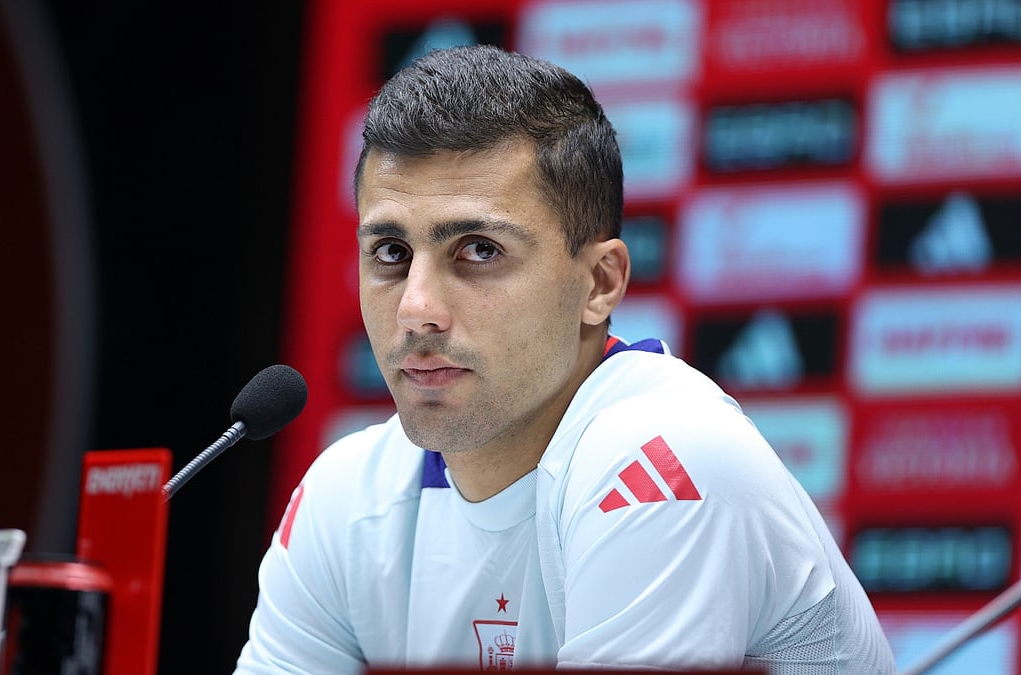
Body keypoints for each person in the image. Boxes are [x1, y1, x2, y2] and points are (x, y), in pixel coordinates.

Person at [235, 44, 896, 673]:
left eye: (479, 250)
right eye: (389, 253)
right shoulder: (346, 497)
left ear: (600, 282)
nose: (416, 308)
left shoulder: (663, 462)